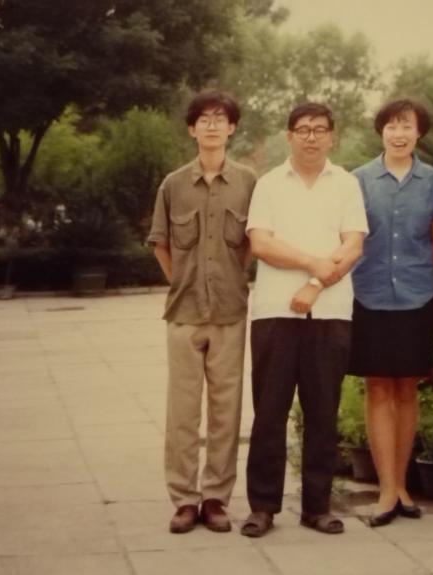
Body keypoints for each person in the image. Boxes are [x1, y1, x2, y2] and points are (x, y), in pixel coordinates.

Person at [241, 102, 368, 538]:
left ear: (332, 136)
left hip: (330, 312)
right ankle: (262, 507)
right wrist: (314, 262)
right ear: (289, 136)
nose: (311, 136)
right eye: (303, 129)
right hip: (275, 312)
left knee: (322, 414)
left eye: (319, 129)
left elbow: (352, 246)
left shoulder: (346, 184)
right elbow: (261, 243)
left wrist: (314, 283)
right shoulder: (269, 184)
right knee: (269, 414)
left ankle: (317, 507)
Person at [146, 90, 256, 535]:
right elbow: (160, 243)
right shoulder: (173, 185)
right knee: (183, 411)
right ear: (192, 129)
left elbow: (253, 242)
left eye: (220, 119)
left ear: (232, 128)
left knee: (227, 410)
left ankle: (215, 498)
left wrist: (232, 277)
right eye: (204, 119)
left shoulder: (249, 182)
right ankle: (184, 499)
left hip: (230, 311)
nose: (212, 126)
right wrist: (182, 282)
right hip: (185, 313)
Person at [349, 98, 433, 527]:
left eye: (407, 125)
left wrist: (414, 272)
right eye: (391, 126)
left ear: (419, 132)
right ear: (381, 131)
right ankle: (386, 489)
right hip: (368, 294)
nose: (399, 133)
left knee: (407, 389)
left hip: (416, 296)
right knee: (377, 389)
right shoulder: (357, 180)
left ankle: (403, 485)